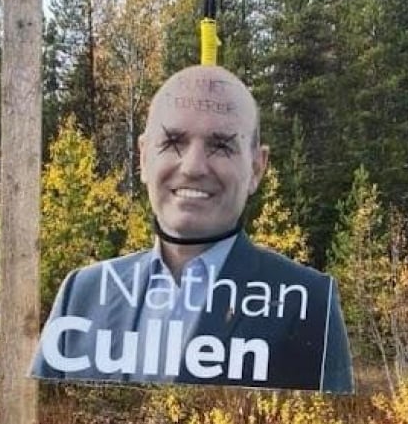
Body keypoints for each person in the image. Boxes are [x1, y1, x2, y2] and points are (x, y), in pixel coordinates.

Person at [31, 65, 353, 392]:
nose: (193, 167)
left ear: (257, 167)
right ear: (143, 158)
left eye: (222, 145)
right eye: (173, 141)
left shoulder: (309, 304)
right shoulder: (82, 293)